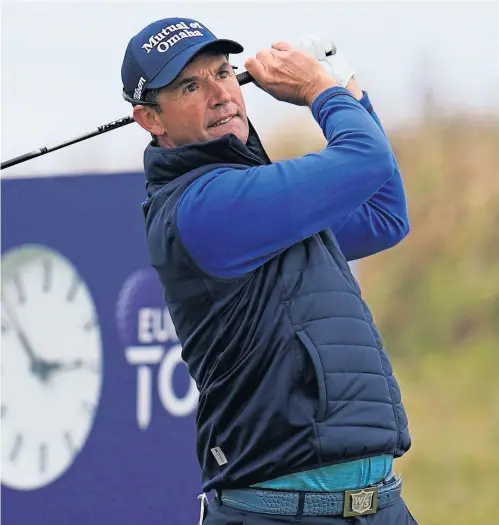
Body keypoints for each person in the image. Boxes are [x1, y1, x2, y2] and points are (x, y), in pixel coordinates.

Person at [121, 16, 417, 525]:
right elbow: (365, 160)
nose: (221, 94)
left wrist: (345, 84)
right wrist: (319, 91)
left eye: (224, 73)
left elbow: (384, 216)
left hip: (379, 506)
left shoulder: (257, 197)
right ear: (151, 119)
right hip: (279, 514)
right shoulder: (203, 207)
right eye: (191, 85)